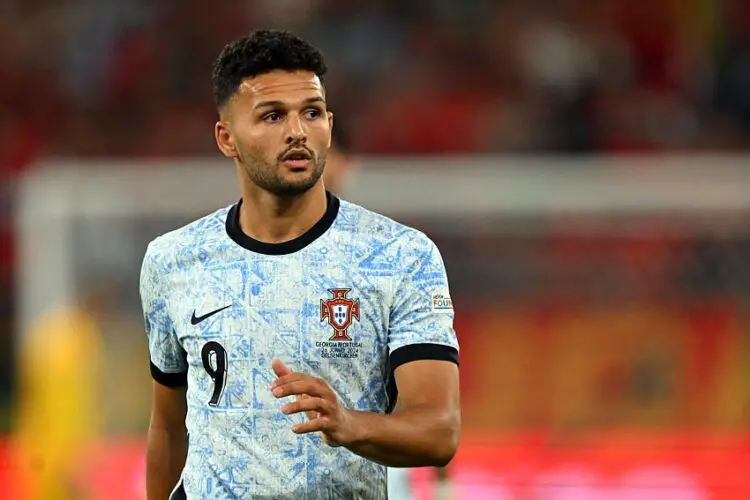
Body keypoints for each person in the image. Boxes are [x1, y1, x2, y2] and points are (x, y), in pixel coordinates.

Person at [141, 29, 460, 499]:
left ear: (329, 123)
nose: (297, 131)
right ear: (226, 138)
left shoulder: (400, 257)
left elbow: (440, 430)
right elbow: (169, 429)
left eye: (311, 112)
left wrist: (349, 424)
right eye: (272, 116)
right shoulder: (173, 261)